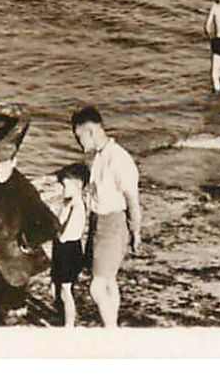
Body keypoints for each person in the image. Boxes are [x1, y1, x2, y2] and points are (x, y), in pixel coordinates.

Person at [0, 138, 58, 325]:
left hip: (14, 267)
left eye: (1, 166)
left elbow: (50, 224)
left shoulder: (24, 190)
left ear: (14, 162)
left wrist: (27, 243)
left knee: (10, 314)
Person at [71, 107, 141, 328]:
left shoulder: (118, 159)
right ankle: (113, 324)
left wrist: (136, 231)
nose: (78, 142)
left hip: (112, 224)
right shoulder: (100, 156)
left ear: (91, 131)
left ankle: (111, 332)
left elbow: (132, 200)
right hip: (98, 224)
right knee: (108, 280)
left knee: (97, 287)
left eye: (79, 136)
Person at [51, 163, 91, 327]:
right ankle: (63, 318)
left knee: (65, 291)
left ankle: (69, 325)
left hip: (69, 251)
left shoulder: (78, 207)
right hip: (61, 250)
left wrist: (54, 232)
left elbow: (65, 235)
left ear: (77, 186)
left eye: (65, 186)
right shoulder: (69, 203)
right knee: (56, 288)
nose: (62, 190)